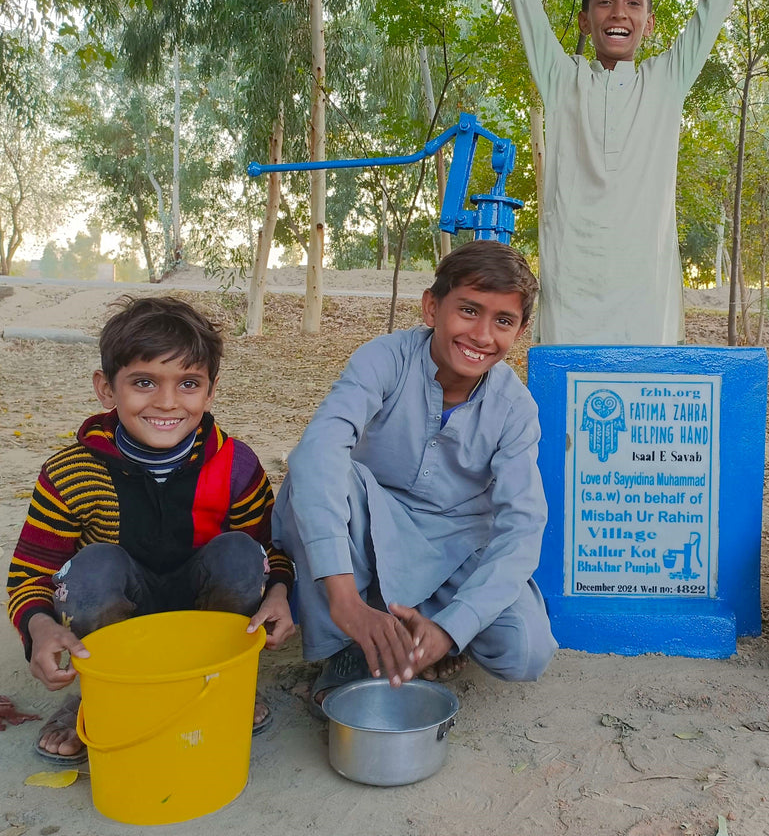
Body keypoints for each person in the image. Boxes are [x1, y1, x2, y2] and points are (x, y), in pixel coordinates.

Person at [6, 297, 296, 765]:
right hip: (120, 626)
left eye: (188, 383)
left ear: (211, 391)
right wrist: (39, 628)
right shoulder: (70, 474)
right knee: (95, 567)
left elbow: (272, 552)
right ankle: (100, 695)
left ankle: (218, 683)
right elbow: (29, 577)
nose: (166, 401)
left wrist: (280, 591)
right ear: (106, 389)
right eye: (143, 382)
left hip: (205, 621)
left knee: (241, 554)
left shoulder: (236, 467)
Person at [272, 240, 557, 714]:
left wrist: (452, 629)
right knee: (316, 467)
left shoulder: (516, 410)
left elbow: (522, 529)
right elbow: (320, 448)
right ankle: (346, 646)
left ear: (521, 331)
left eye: (503, 321)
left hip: (455, 545)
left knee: (524, 648)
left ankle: (421, 634)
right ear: (432, 307)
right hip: (369, 522)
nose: (482, 335)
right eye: (468, 310)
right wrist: (343, 599)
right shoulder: (383, 359)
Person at [508, 0, 735, 345]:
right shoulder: (561, 77)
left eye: (633, 3)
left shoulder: (666, 80)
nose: (618, 13)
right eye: (605, 2)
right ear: (586, 21)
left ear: (649, 24)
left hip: (645, 292)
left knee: (644, 405)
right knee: (568, 410)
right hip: (571, 285)